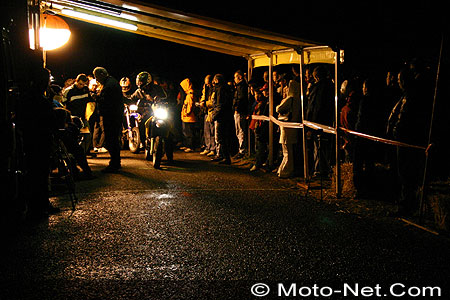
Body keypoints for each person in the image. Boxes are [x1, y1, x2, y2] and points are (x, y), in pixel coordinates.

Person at [387, 67, 431, 216]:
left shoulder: (411, 97)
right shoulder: (407, 96)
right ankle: (406, 203)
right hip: (403, 139)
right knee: (405, 173)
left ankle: (406, 205)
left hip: (406, 140)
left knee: (406, 173)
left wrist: (396, 131)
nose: (398, 83)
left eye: (400, 80)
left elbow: (404, 120)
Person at [21, 67, 59, 220]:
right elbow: (48, 118)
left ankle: (40, 204)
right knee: (39, 173)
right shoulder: (37, 98)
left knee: (39, 173)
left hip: (34, 139)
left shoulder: (29, 96)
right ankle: (38, 206)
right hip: (38, 140)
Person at [92, 67, 123, 173]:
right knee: (112, 140)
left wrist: (96, 98)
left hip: (111, 116)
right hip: (114, 115)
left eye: (97, 77)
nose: (97, 80)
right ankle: (115, 162)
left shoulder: (109, 85)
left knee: (111, 140)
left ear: (102, 74)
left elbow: (106, 101)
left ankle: (114, 164)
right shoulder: (111, 82)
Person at [306, 65, 334, 178]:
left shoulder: (318, 88)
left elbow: (315, 107)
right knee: (323, 146)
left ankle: (320, 170)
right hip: (327, 120)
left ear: (316, 76)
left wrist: (310, 124)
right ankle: (324, 169)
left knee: (318, 146)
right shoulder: (330, 86)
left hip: (318, 122)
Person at [275, 77, 301, 178]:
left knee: (286, 150)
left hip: (286, 127)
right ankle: (283, 169)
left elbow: (279, 108)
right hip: (293, 127)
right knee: (289, 150)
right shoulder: (298, 100)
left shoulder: (290, 99)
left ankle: (285, 170)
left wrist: (281, 102)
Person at [63, 74, 95, 154]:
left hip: (82, 118)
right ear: (76, 81)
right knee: (72, 137)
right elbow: (63, 105)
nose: (82, 86)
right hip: (71, 119)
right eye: (80, 84)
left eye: (84, 84)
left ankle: (82, 154)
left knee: (88, 136)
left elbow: (90, 100)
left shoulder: (85, 89)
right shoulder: (68, 91)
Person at [211, 74, 233, 164]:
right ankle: (223, 156)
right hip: (226, 115)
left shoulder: (220, 89)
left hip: (222, 116)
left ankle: (226, 158)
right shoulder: (225, 88)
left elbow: (220, 104)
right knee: (223, 137)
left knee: (221, 137)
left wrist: (214, 115)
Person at [249, 89, 269, 171]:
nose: (256, 96)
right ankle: (258, 161)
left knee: (260, 145)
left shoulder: (263, 104)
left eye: (258, 94)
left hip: (260, 126)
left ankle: (259, 163)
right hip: (256, 125)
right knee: (257, 145)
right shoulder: (257, 103)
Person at [232, 70, 249, 159]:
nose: (234, 79)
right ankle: (241, 149)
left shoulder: (241, 87)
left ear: (239, 77)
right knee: (239, 130)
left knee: (240, 130)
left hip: (239, 111)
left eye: (235, 77)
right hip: (239, 110)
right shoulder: (240, 86)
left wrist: (236, 108)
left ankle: (242, 150)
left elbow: (240, 98)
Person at [199, 75, 216, 156]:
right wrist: (202, 101)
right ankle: (207, 147)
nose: (207, 85)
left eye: (208, 84)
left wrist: (205, 103)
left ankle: (213, 148)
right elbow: (203, 96)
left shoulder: (214, 89)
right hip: (206, 112)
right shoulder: (206, 89)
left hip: (211, 112)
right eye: (206, 84)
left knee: (212, 132)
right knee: (206, 131)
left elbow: (213, 101)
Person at [180, 78, 197, 152]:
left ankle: (190, 146)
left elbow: (190, 105)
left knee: (189, 132)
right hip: (186, 117)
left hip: (189, 117)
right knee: (185, 131)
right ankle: (187, 145)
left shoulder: (190, 94)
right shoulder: (188, 94)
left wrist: (187, 113)